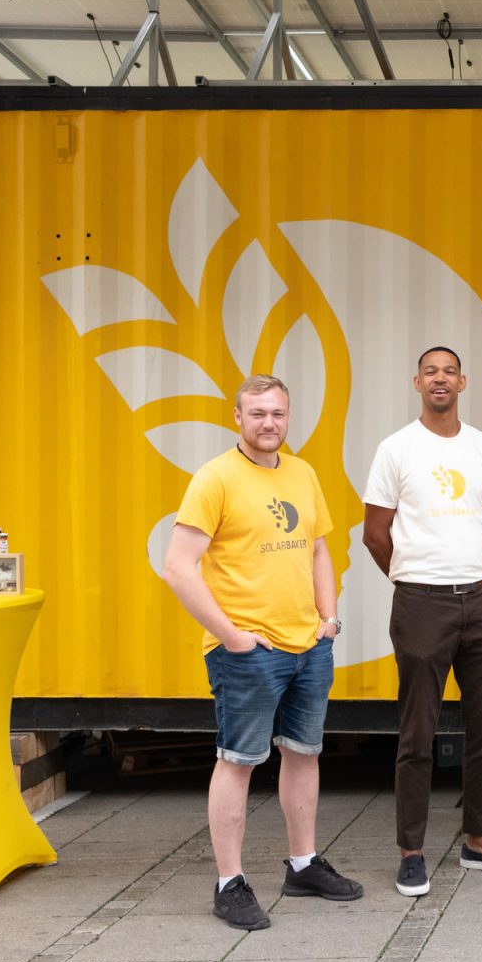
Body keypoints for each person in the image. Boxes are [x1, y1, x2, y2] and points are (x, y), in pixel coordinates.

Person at [163, 374, 362, 930]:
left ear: (288, 416)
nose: (268, 423)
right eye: (257, 414)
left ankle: (302, 864)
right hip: (248, 651)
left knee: (303, 753)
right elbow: (177, 567)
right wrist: (232, 637)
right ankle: (230, 883)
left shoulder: (302, 473)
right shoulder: (215, 479)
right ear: (238, 417)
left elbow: (320, 548)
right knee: (237, 761)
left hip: (307, 645)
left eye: (277, 413)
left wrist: (328, 619)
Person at [363, 346, 482, 893]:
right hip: (420, 603)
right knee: (418, 733)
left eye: (449, 371)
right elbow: (375, 533)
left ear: (464, 381)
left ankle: (479, 841)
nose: (440, 379)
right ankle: (411, 850)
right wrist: (414, 578)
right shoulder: (396, 449)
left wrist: (481, 576)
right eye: (430, 371)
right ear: (417, 383)